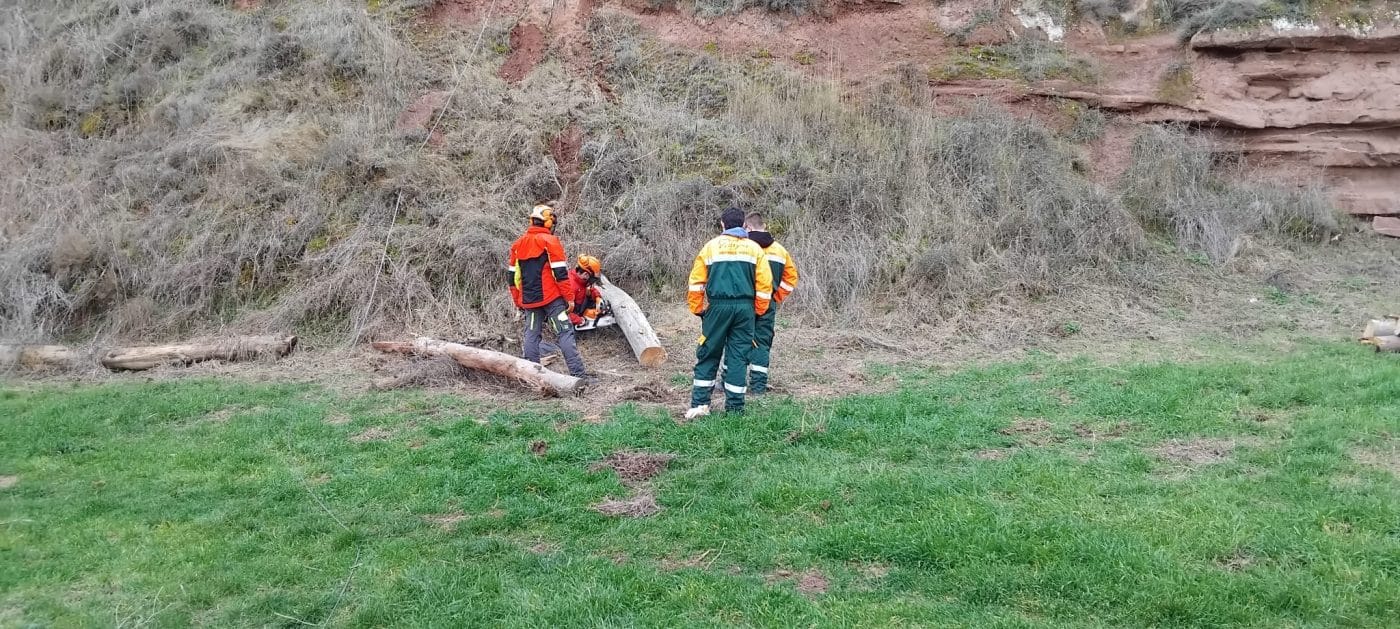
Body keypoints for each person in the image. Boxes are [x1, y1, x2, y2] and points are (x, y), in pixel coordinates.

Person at [685, 207, 773, 419]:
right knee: (738, 357)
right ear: (743, 225)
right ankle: (735, 409)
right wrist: (757, 311)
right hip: (745, 310)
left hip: (717, 308)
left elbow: (696, 283)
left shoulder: (710, 247)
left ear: (722, 224)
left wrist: (698, 309)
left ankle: (700, 405)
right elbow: (764, 285)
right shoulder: (754, 249)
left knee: (708, 353)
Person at [506, 204, 586, 379]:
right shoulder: (550, 241)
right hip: (552, 299)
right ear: (548, 222)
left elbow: (513, 278)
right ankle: (578, 375)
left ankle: (531, 377)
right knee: (564, 331)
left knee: (531, 335)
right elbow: (560, 274)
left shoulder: (517, 245)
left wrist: (518, 300)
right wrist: (569, 298)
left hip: (529, 301)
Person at [743, 212, 798, 395]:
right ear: (764, 226)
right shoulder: (780, 251)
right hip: (767, 304)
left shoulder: (744, 247)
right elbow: (791, 279)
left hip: (744, 303)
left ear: (748, 227)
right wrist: (776, 296)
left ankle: (730, 379)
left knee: (737, 340)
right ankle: (758, 387)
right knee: (762, 342)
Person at [567, 254, 604, 328]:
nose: (592, 281)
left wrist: (597, 297)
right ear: (586, 274)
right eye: (592, 278)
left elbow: (590, 287)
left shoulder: (582, 280)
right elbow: (562, 312)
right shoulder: (570, 286)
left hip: (580, 306)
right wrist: (579, 320)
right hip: (571, 314)